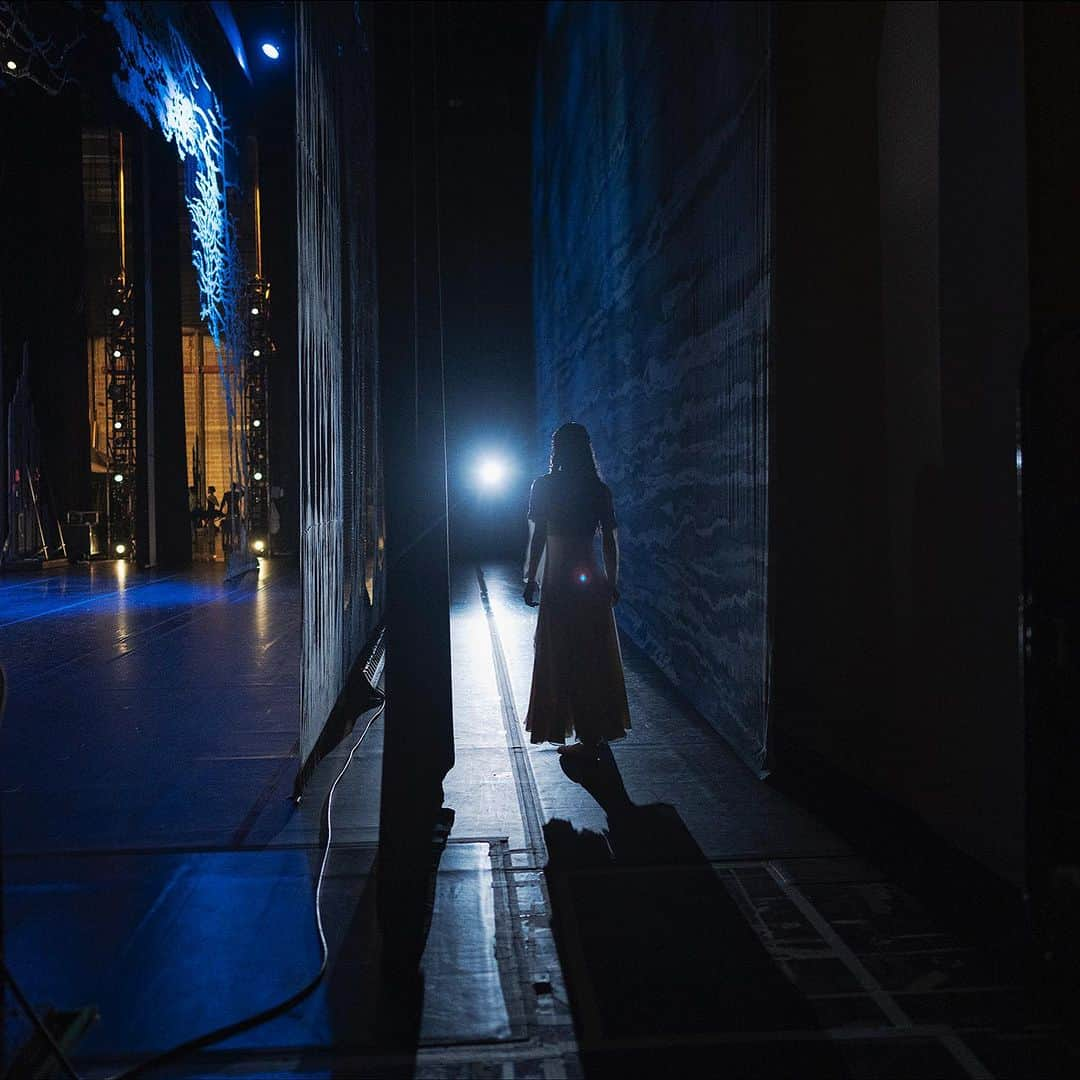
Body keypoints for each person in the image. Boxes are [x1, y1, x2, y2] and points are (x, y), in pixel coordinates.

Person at [522, 421, 631, 757]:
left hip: (557, 579)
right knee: (592, 653)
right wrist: (611, 582)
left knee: (557, 652)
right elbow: (610, 544)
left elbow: (538, 536)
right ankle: (592, 726)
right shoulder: (598, 490)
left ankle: (557, 723)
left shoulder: (543, 486)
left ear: (556, 450)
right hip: (587, 575)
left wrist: (531, 578)